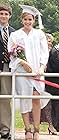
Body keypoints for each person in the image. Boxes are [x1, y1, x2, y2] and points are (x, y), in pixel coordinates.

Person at [8, 4, 49, 140]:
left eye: (30, 19)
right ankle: (27, 129)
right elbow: (12, 53)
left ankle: (37, 129)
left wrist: (42, 67)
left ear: (34, 21)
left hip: (37, 71)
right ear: (22, 20)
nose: (27, 22)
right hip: (22, 72)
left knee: (36, 98)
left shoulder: (39, 34)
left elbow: (44, 52)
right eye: (25, 19)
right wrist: (22, 63)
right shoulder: (15, 35)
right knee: (24, 99)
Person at [0, 3, 15, 139]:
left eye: (6, 14)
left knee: (5, 99)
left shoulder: (14, 32)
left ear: (10, 16)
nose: (3, 16)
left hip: (7, 67)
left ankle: (5, 129)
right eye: (1, 13)